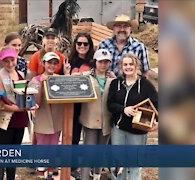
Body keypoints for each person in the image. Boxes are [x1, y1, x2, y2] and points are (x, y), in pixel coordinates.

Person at [107, 53, 158, 180]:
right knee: (118, 163)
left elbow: (157, 103)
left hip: (138, 131)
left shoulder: (145, 85)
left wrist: (158, 122)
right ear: (121, 67)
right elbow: (110, 105)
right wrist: (124, 109)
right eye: (125, 64)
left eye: (131, 64)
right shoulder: (115, 83)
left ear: (137, 66)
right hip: (118, 129)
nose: (128, 67)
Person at [0, 47, 36, 180]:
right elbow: (0, 103)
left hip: (19, 119)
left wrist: (30, 104)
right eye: (7, 61)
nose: (10, 64)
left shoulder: (20, 74)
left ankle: (11, 177)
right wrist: (19, 108)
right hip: (5, 120)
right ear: (2, 61)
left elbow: (24, 95)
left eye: (12, 60)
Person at [28, 52, 71, 180]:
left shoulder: (59, 78)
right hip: (43, 117)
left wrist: (67, 74)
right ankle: (41, 172)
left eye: (54, 63)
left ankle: (51, 172)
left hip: (56, 117)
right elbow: (36, 102)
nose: (52, 66)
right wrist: (42, 84)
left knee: (53, 144)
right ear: (43, 63)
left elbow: (69, 91)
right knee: (42, 146)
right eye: (49, 62)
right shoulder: (35, 80)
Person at [79, 49, 115, 180]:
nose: (103, 65)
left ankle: (96, 175)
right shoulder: (85, 76)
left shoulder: (113, 78)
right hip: (90, 119)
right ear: (95, 62)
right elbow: (71, 84)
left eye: (106, 62)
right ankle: (84, 177)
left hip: (106, 120)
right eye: (100, 61)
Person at [68, 32, 95, 179]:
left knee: (91, 138)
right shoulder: (70, 60)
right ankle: (73, 166)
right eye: (79, 43)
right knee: (74, 138)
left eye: (85, 44)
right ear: (75, 45)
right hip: (74, 105)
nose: (82, 46)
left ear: (90, 46)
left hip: (91, 105)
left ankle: (91, 166)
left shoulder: (94, 61)